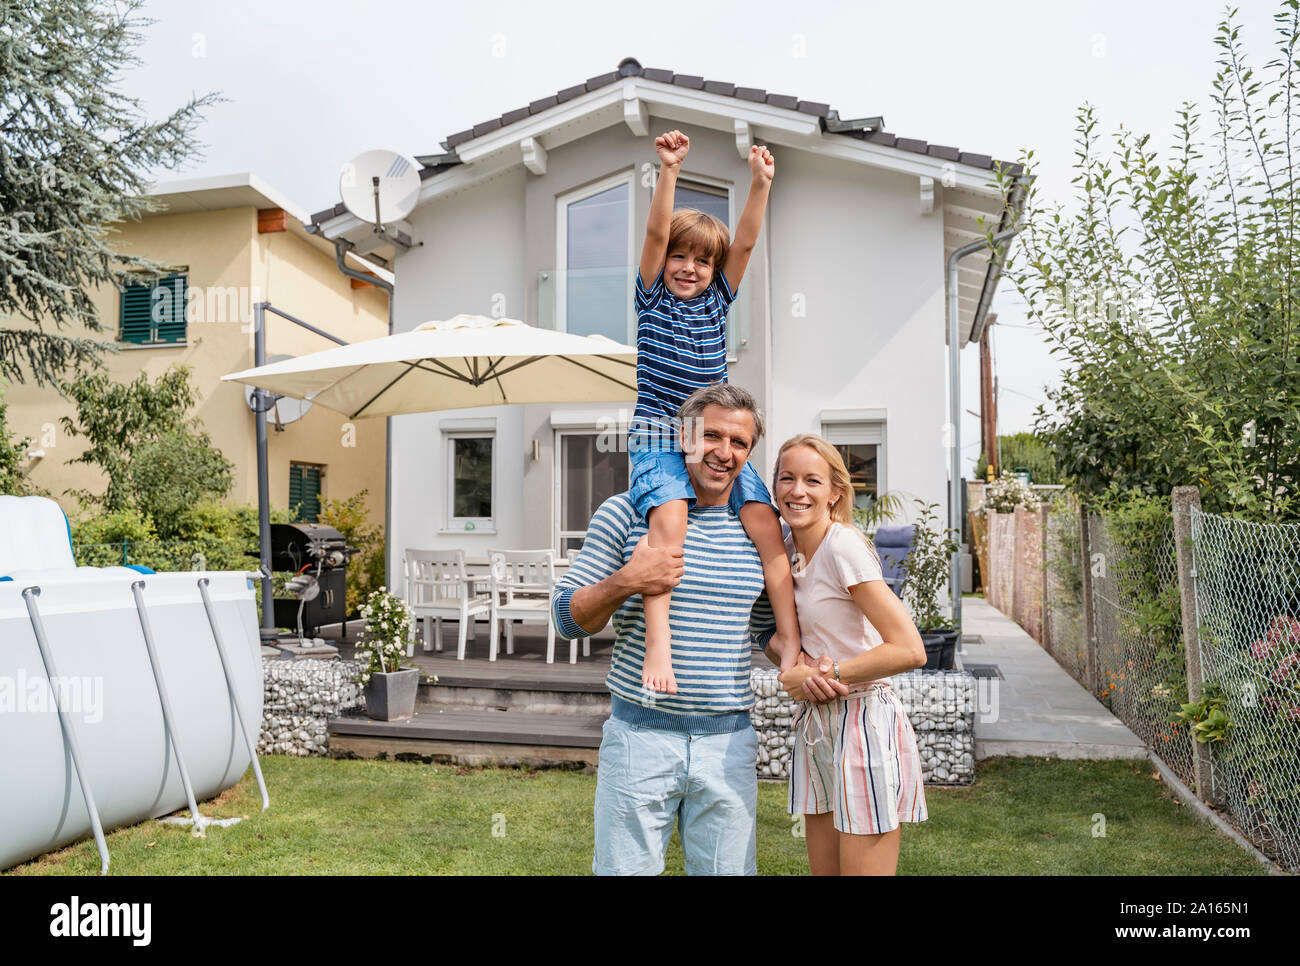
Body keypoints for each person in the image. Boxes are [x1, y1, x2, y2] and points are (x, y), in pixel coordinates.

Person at [551, 384, 776, 876]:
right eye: (711, 436)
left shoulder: (755, 527)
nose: (724, 452)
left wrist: (823, 665)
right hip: (641, 740)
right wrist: (627, 581)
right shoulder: (624, 512)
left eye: (739, 443)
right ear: (683, 438)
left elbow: (766, 630)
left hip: (728, 743)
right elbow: (566, 616)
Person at [631, 129, 801, 695]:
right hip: (661, 429)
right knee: (670, 521)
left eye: (701, 260)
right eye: (679, 257)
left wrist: (761, 182)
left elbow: (746, 244)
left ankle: (784, 637)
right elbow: (657, 230)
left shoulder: (717, 299)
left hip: (717, 431)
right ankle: (659, 644)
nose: (688, 267)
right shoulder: (652, 294)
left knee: (764, 524)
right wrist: (670, 170)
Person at [767, 434, 929, 875]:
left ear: (834, 492)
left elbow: (910, 649)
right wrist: (795, 664)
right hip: (818, 724)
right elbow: (779, 631)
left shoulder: (843, 548)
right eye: (787, 478)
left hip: (862, 720)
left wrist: (827, 672)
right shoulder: (784, 547)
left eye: (812, 480)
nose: (797, 490)